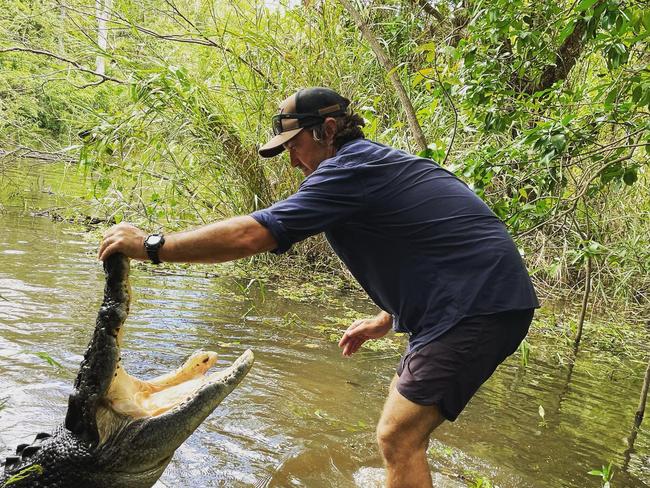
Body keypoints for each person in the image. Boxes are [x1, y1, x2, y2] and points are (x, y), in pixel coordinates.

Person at [99, 86, 539, 487]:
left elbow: (253, 235)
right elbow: (432, 245)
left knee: (397, 436)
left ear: (327, 130)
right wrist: (386, 319)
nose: (292, 161)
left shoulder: (351, 169)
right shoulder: (372, 167)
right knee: (401, 430)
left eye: (295, 146)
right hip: (480, 299)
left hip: (476, 306)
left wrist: (152, 245)